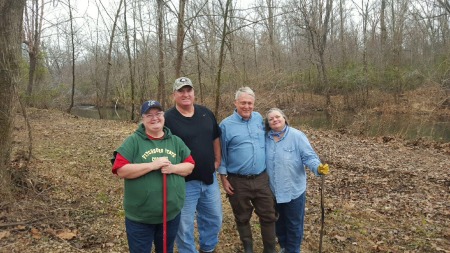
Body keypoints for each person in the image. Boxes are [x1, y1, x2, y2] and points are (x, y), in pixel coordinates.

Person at [111, 100, 195, 253]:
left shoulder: (175, 141)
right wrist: (152, 165)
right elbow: (120, 169)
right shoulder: (133, 141)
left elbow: (189, 166)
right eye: (149, 115)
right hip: (140, 218)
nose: (154, 118)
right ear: (143, 119)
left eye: (158, 114)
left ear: (164, 116)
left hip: (170, 216)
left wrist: (173, 168)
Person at [164, 77, 223, 253]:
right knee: (184, 225)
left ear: (194, 93)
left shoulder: (206, 113)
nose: (185, 94)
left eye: (188, 90)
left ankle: (208, 248)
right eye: (181, 91)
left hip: (208, 178)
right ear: (174, 94)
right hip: (183, 181)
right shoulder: (167, 118)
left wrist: (218, 159)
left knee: (214, 218)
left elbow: (215, 136)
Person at [218, 87, 277, 253]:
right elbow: (221, 152)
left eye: (250, 103)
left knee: (268, 215)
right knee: (242, 216)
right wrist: (223, 177)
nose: (246, 106)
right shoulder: (225, 125)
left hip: (261, 178)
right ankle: (248, 248)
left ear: (254, 104)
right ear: (235, 103)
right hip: (237, 180)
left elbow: (275, 133)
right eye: (243, 102)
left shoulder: (259, 118)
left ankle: (270, 249)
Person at [264, 108, 330, 253]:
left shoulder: (297, 136)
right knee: (279, 222)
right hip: (273, 190)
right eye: (271, 119)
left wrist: (318, 168)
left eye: (277, 117)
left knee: (294, 224)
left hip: (293, 190)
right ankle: (284, 247)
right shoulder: (266, 138)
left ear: (284, 118)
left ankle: (293, 250)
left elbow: (309, 157)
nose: (275, 120)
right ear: (268, 123)